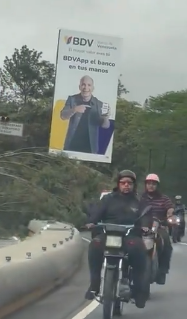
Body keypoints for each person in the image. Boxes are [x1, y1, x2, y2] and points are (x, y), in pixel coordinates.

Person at [83, 170, 148, 301]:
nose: (126, 185)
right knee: (95, 245)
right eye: (123, 182)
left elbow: (145, 216)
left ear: (133, 185)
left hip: (130, 236)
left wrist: (145, 226)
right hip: (108, 234)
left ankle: (138, 289)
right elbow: (97, 212)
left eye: (129, 183)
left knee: (140, 250)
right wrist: (91, 222)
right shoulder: (108, 199)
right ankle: (95, 284)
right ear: (118, 184)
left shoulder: (139, 201)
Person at [59, 75, 111, 154]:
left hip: (91, 148)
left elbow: (105, 126)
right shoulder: (72, 99)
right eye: (83, 84)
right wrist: (75, 109)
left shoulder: (99, 104)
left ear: (93, 88)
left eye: (89, 85)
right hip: (71, 145)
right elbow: (63, 116)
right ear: (79, 87)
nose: (86, 88)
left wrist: (106, 118)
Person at [139, 174, 175, 284]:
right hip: (141, 226)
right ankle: (126, 272)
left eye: (153, 184)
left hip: (158, 226)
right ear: (145, 185)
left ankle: (162, 272)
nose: (151, 186)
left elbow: (170, 208)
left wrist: (170, 215)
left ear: (157, 186)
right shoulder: (140, 197)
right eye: (149, 183)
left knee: (167, 245)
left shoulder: (163, 198)